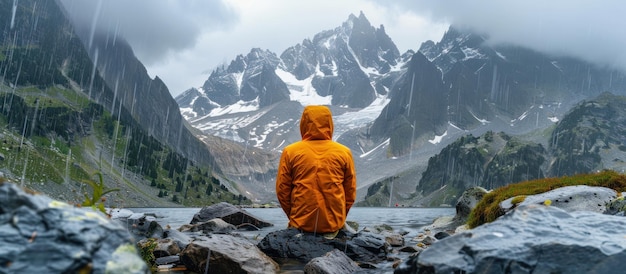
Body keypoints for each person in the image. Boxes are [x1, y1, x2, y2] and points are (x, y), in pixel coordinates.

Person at [276, 105, 356, 238]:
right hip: (333, 225)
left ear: (304, 123)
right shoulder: (344, 152)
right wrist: (339, 217)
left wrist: (295, 217)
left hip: (300, 224)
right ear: (329, 124)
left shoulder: (290, 151)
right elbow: (350, 192)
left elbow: (282, 190)